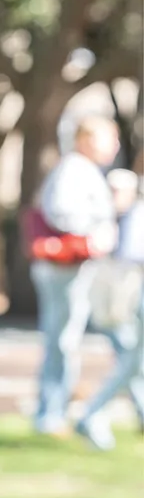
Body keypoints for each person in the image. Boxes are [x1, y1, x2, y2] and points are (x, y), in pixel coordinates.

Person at [29, 114, 120, 436]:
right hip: (65, 267)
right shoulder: (74, 169)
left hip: (78, 268)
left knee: (110, 336)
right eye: (109, 137)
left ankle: (67, 411)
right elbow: (61, 212)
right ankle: (50, 414)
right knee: (62, 339)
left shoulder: (86, 171)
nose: (115, 144)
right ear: (87, 139)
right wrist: (95, 234)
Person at [73, 161, 144, 450]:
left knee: (133, 361)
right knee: (131, 361)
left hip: (131, 297)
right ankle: (91, 415)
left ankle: (96, 415)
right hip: (113, 302)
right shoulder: (101, 218)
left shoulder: (135, 216)